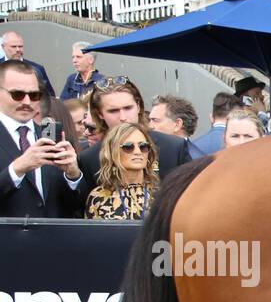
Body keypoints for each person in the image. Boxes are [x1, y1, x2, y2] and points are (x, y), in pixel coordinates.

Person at [76, 78, 189, 203]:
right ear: (100, 114)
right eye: (113, 111)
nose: (123, 117)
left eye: (128, 108)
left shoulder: (173, 147)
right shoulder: (89, 158)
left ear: (139, 106)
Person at [0, 60, 83, 217]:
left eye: (34, 95)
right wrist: (16, 169)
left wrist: (73, 176)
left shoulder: (52, 136)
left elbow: (74, 206)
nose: (26, 102)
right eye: (17, 94)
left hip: (51, 239)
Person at [83, 121, 157, 220]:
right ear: (113, 152)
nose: (138, 152)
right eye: (128, 147)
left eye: (143, 146)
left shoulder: (163, 195)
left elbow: (177, 233)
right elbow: (92, 235)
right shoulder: (98, 197)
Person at [1, 31, 55, 99]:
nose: (18, 50)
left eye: (20, 46)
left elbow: (50, 97)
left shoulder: (37, 69)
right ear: (3, 47)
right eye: (13, 47)